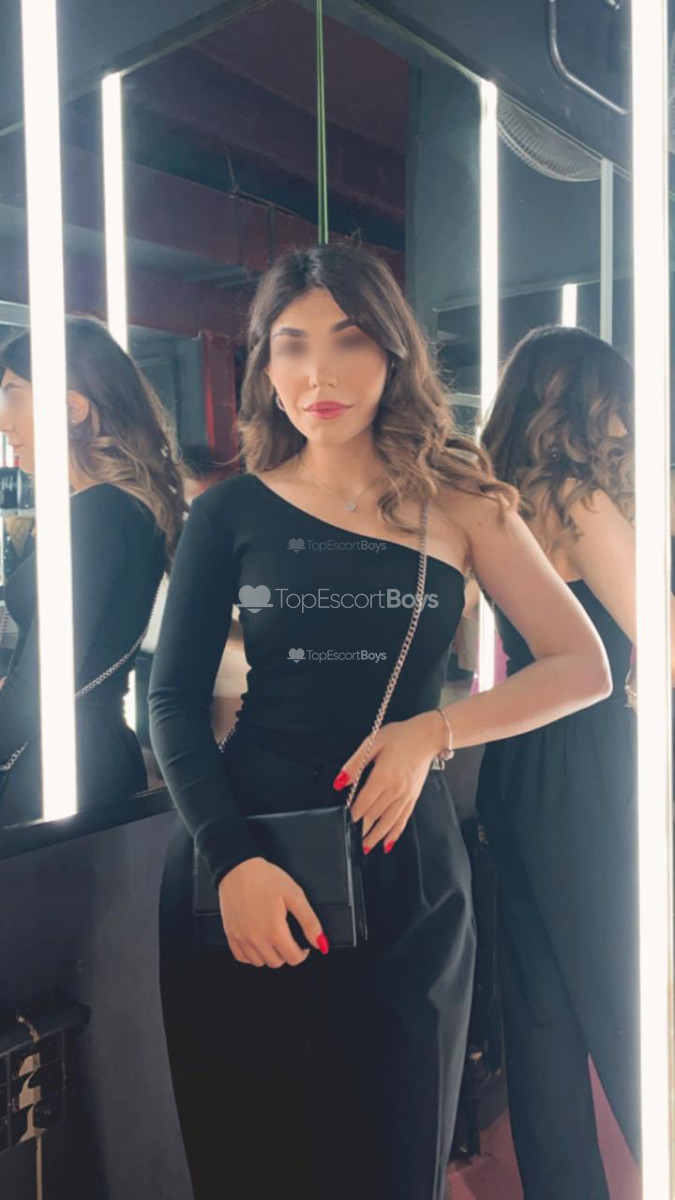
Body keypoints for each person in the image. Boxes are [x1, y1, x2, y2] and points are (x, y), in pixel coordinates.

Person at [148, 244, 611, 1200]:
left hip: (404, 867)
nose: (318, 373)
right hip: (246, 861)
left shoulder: (462, 503)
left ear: (393, 353)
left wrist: (432, 731)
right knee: (253, 1164)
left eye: (349, 339)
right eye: (291, 345)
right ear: (265, 364)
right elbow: (172, 702)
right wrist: (231, 862)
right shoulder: (227, 513)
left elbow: (583, 665)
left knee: (395, 1160)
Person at [477, 324, 672, 1198]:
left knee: (542, 1013)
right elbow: (660, 641)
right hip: (592, 760)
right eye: (616, 403)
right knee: (627, 998)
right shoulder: (576, 501)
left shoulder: (499, 503)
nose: (626, 421)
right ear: (586, 403)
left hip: (524, 755)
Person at [0, 316, 185, 823]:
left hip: (58, 765)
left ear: (73, 407)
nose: (4, 421)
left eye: (15, 397)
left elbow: (41, 685)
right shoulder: (117, 507)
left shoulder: (97, 512)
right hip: (79, 754)